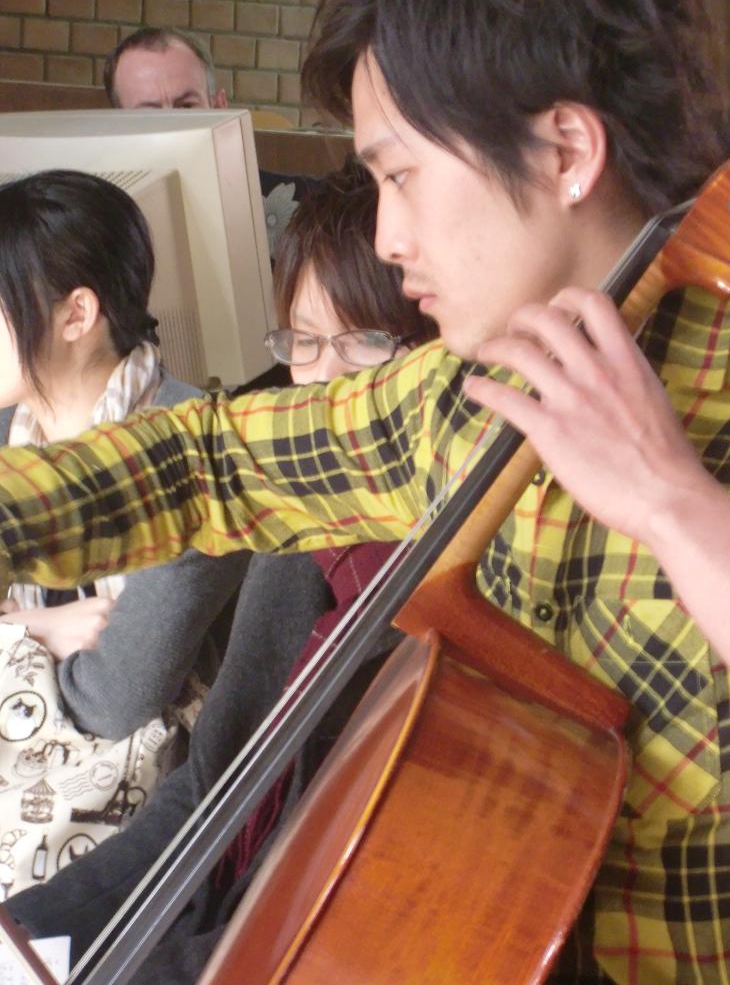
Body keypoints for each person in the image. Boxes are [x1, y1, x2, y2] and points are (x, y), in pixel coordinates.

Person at [0, 0, 728, 980]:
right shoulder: (460, 398)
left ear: (566, 151)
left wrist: (677, 507)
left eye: (402, 176)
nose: (387, 236)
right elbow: (210, 460)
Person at [7, 157, 436, 980]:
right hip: (219, 896)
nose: (324, 380)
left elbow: (116, 695)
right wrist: (34, 927)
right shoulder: (300, 524)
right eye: (303, 341)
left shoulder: (444, 577)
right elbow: (218, 772)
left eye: (365, 343)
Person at [0, 170, 249, 897]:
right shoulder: (10, 431)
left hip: (127, 820)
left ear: (76, 315)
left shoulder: (187, 454)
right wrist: (39, 627)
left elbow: (114, 696)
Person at [103, 26, 311, 259]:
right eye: (147, 114)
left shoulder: (301, 210)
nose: (172, 126)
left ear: (219, 107)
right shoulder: (98, 224)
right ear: (117, 126)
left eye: (186, 106)